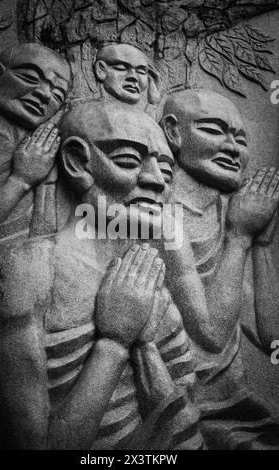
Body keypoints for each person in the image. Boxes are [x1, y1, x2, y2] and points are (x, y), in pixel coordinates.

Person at [0, 101, 204, 450]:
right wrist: (113, 344)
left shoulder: (149, 273)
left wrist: (144, 346)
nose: (156, 181)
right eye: (129, 161)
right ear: (76, 162)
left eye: (166, 172)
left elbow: (184, 419)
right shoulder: (21, 270)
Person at [160, 88, 279, 449]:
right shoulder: (156, 217)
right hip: (185, 408)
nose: (233, 149)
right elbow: (209, 338)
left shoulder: (226, 211)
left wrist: (260, 244)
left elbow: (271, 338)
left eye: (240, 139)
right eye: (213, 130)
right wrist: (241, 236)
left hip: (238, 405)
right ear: (173, 131)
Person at [0, 42, 71, 245]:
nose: (45, 95)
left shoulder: (48, 148)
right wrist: (20, 181)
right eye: (30, 78)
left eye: (58, 95)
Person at [94, 43, 161, 110]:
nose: (133, 77)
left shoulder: (144, 117)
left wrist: (153, 103)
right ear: (101, 69)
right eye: (121, 68)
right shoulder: (90, 113)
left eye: (141, 72)